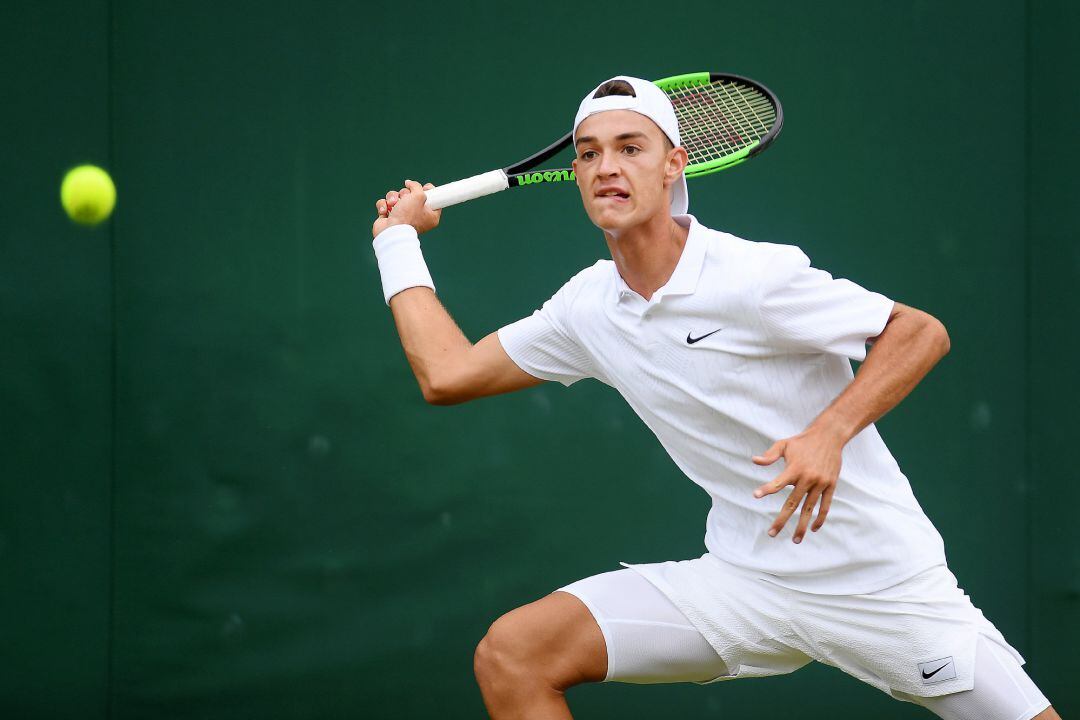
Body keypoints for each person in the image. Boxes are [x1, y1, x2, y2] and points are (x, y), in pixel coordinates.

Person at [370, 75, 1059, 720]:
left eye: (630, 148)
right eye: (589, 154)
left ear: (675, 166)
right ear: (575, 174)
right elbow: (448, 374)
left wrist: (828, 433)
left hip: (879, 584)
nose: (608, 166)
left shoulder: (754, 276)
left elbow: (919, 332)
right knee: (515, 653)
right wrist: (398, 242)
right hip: (743, 583)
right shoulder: (587, 308)